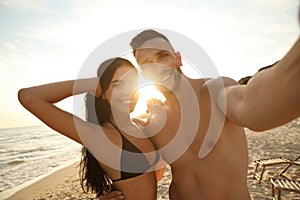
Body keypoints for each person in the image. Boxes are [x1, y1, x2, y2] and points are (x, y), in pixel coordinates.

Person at [100, 28, 300, 200]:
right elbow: (150, 174)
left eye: (162, 56)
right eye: (147, 64)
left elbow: (252, 105)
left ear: (177, 58)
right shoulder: (153, 121)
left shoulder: (215, 92)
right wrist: (116, 194)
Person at [18, 57, 164, 200]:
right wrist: (92, 83)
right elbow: (29, 97)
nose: (128, 91)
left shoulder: (139, 124)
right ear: (102, 92)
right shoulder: (100, 136)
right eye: (116, 85)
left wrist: (155, 114)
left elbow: (152, 177)